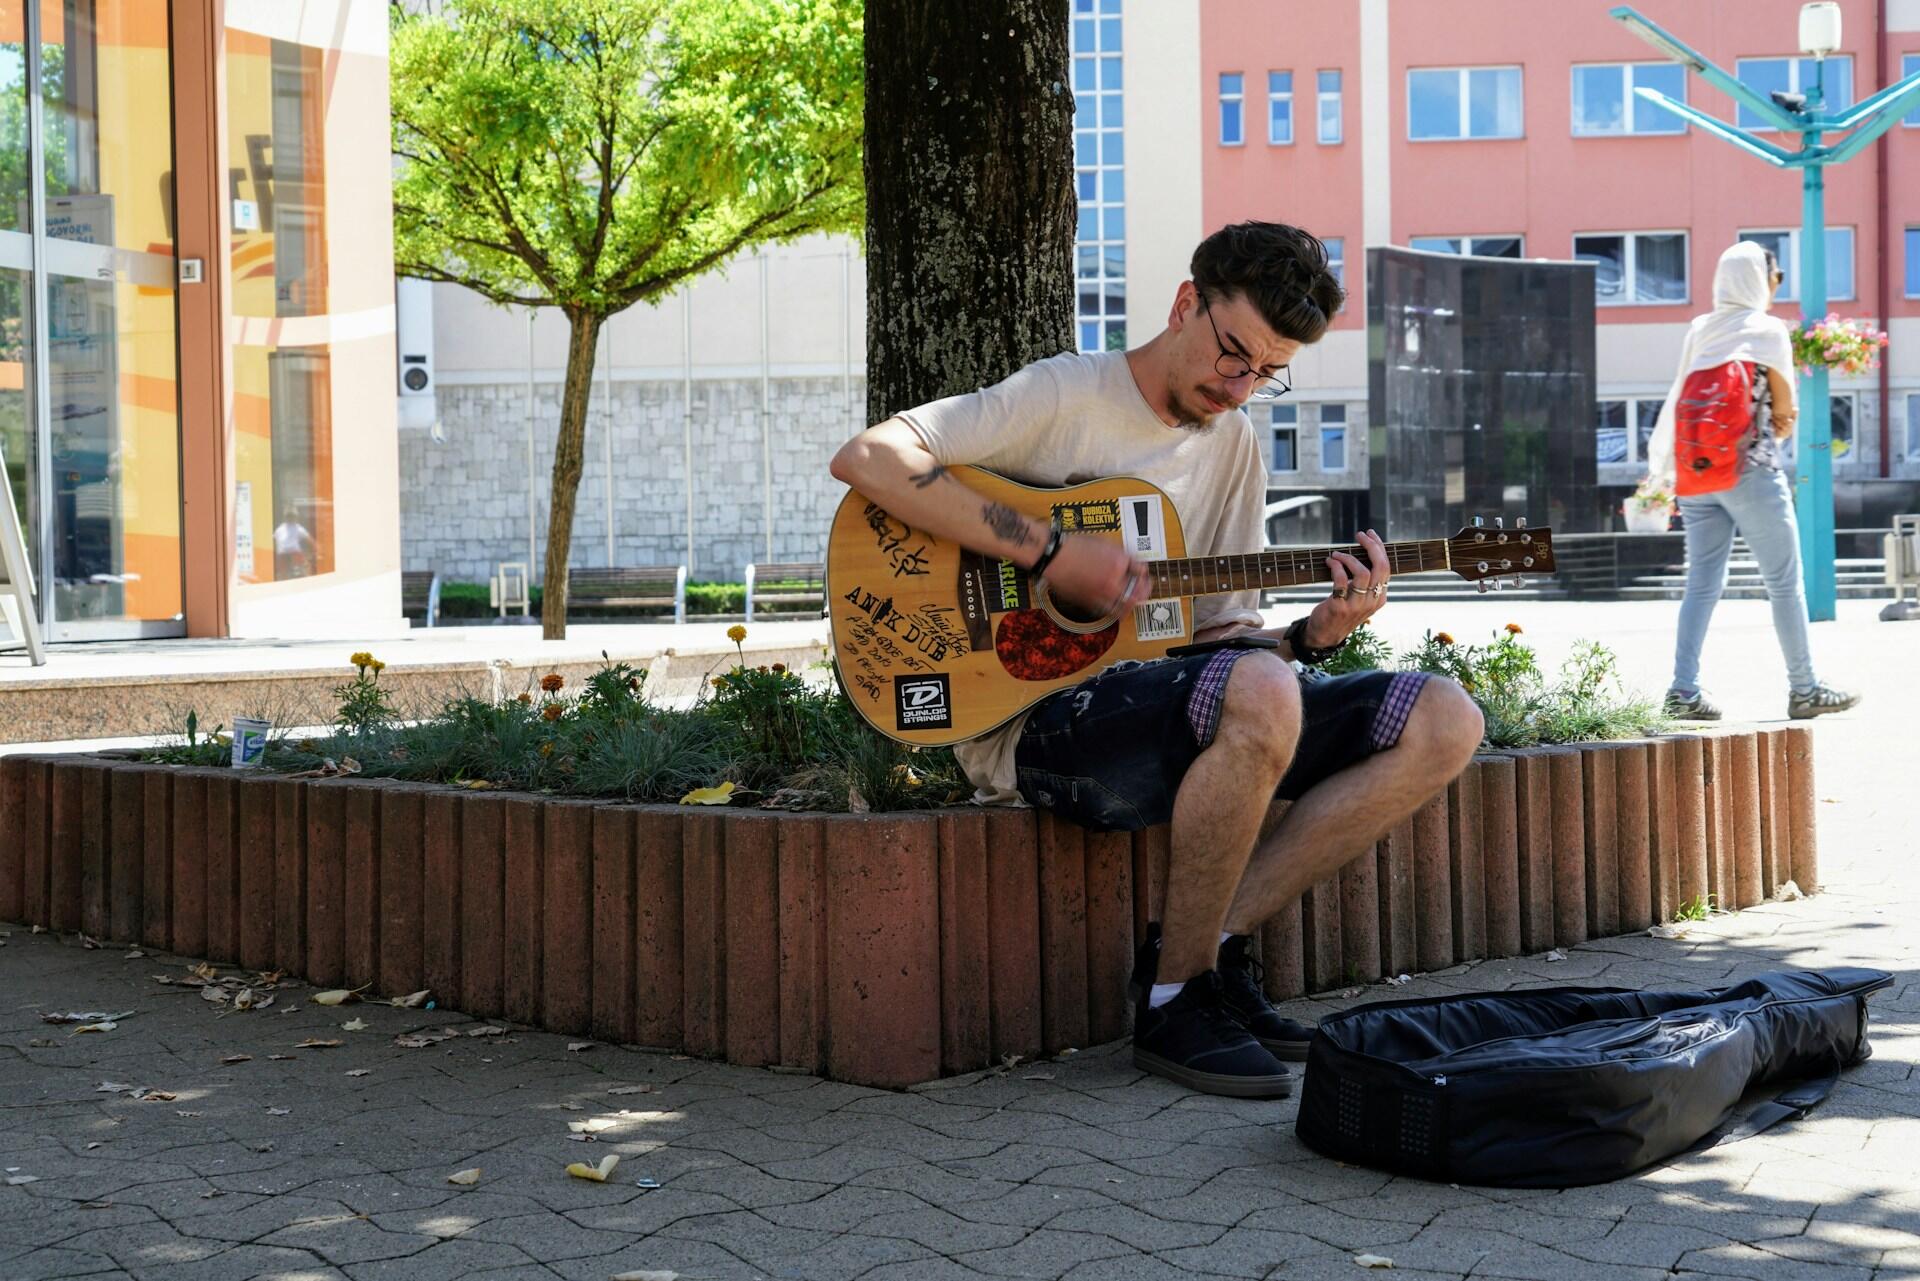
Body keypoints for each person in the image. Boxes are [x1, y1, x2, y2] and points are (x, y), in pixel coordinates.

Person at [829, 222, 1483, 1098]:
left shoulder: (1233, 446)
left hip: (1170, 708)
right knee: (1261, 688)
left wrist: (1313, 636)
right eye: (1233, 353)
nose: (1240, 384)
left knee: (1443, 718)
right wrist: (1049, 551)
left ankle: (1203, 949)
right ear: (1185, 305)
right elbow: (871, 456)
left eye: (1266, 372)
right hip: (1030, 719)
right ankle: (1176, 1004)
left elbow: (1222, 644)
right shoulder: (1069, 394)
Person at [1645, 241, 1859, 722]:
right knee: (1784, 582)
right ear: (1761, 281)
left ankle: (1682, 691)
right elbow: (1783, 410)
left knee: (1701, 584)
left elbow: (1680, 391)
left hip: (1697, 476)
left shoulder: (1701, 327)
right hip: (1750, 472)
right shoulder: (1767, 330)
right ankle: (1804, 687)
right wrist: (1780, 416)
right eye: (1775, 277)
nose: (1776, 286)